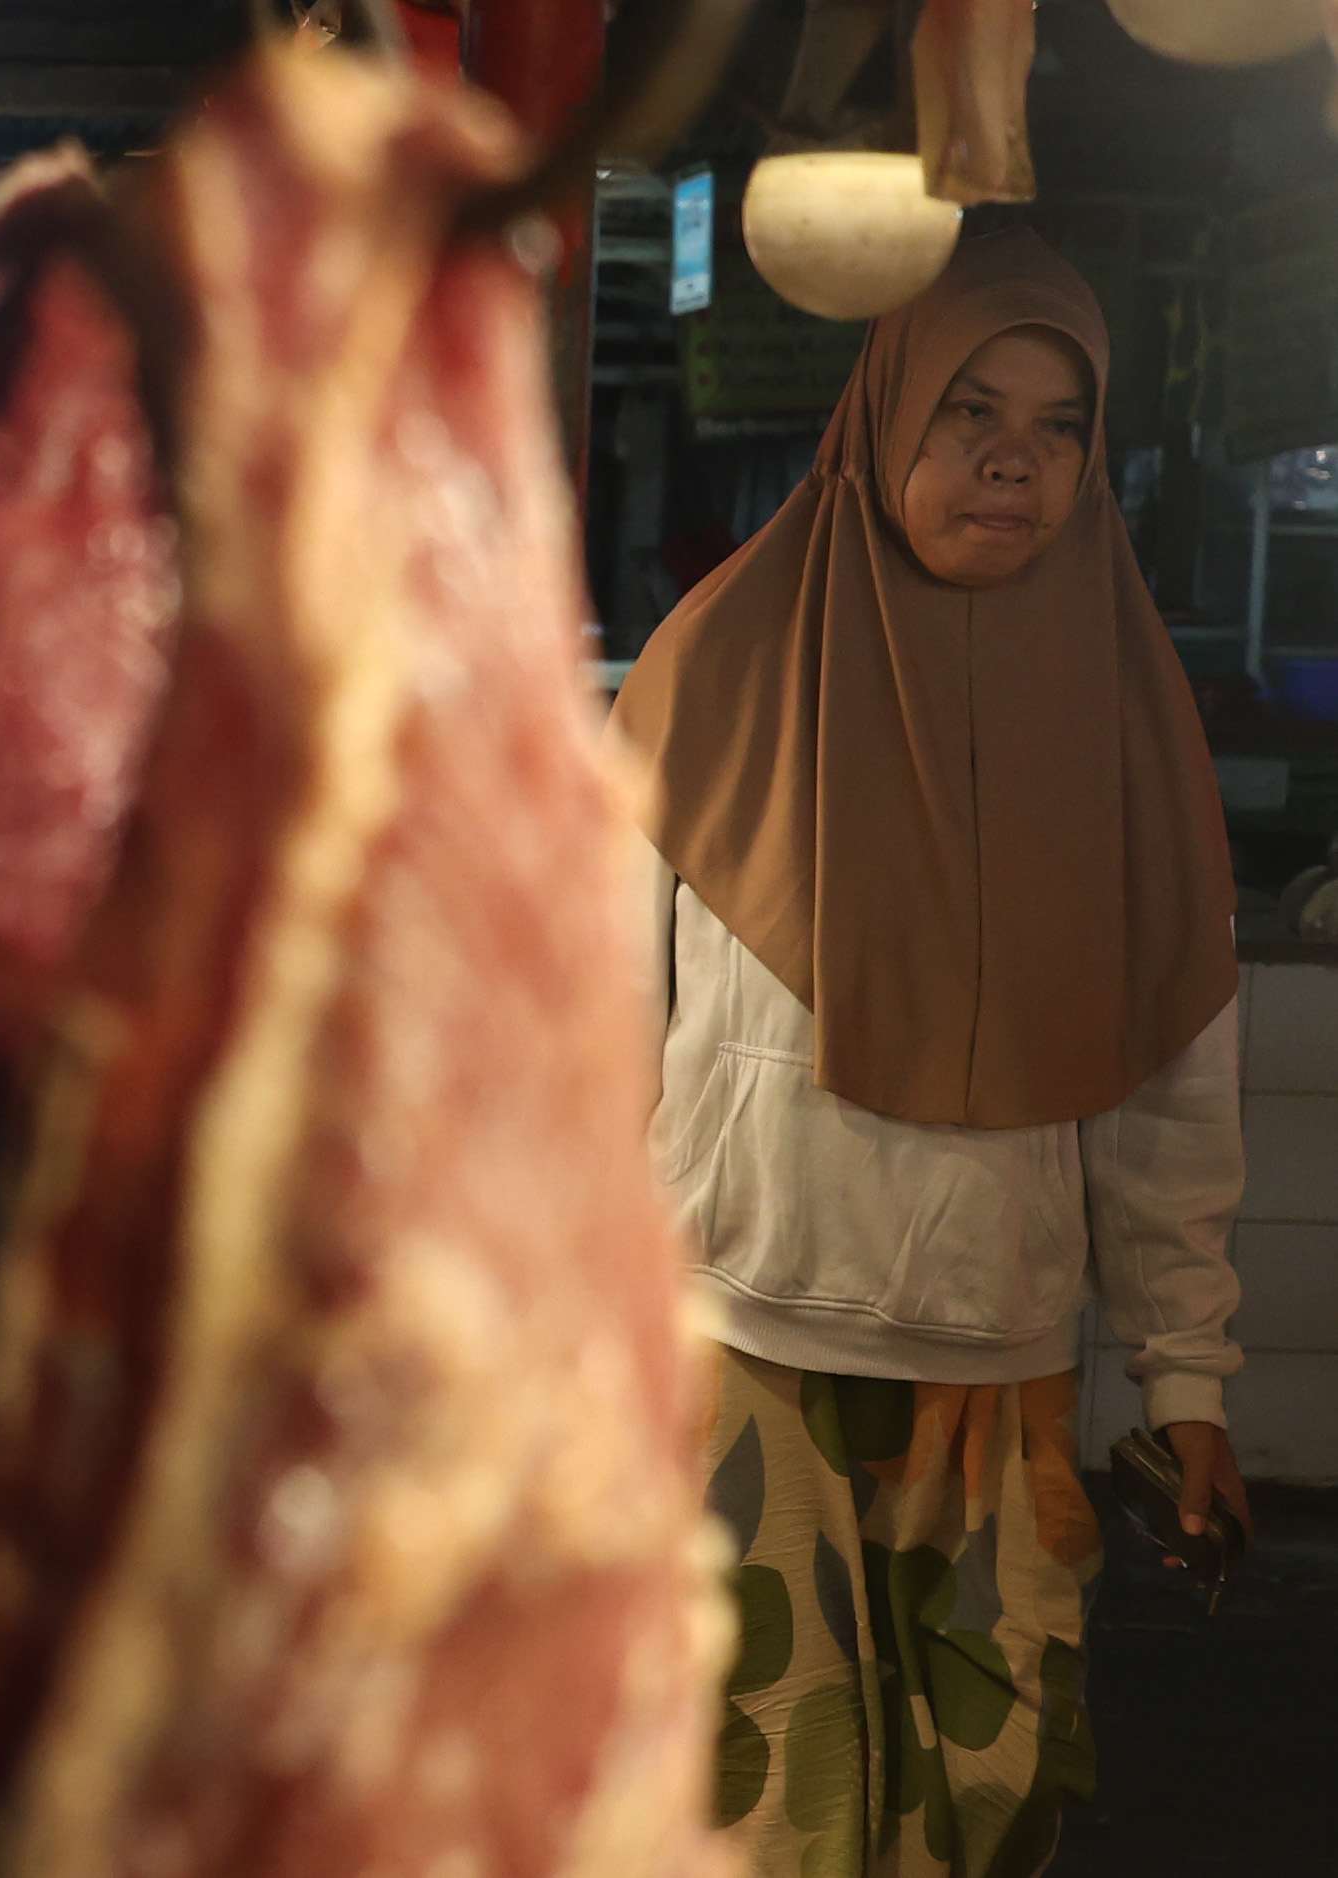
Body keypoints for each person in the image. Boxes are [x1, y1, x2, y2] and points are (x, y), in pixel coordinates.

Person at [614, 230, 1250, 1877]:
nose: (1009, 460)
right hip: (739, 1348)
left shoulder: (1124, 709)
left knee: (987, 1803)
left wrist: (1185, 1372)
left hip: (1005, 1359)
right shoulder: (720, 666)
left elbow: (1177, 1068)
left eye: (1056, 426)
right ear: (881, 416)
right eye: (971, 407)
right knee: (760, 1814)